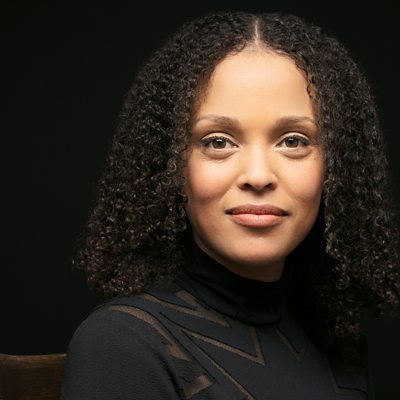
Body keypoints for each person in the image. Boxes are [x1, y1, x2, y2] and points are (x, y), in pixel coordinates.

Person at [60, 11, 399, 400]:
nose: (258, 175)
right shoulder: (122, 346)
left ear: (338, 165)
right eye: (218, 142)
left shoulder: (338, 341)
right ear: (169, 165)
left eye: (293, 141)